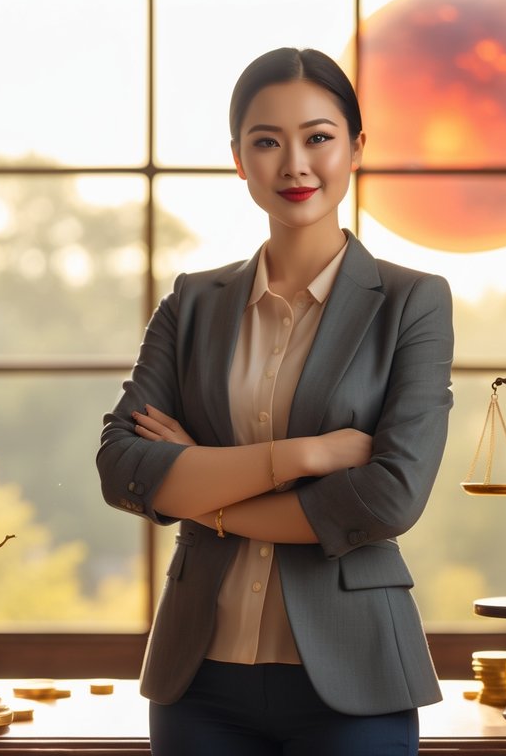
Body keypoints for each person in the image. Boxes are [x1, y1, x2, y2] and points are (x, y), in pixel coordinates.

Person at [97, 47, 453, 756]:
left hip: (355, 681)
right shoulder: (192, 301)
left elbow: (388, 499)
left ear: (355, 148)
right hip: (196, 682)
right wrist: (306, 455)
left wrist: (199, 482)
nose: (294, 165)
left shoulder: (413, 302)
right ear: (237, 158)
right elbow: (122, 467)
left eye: (318, 138)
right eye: (266, 142)